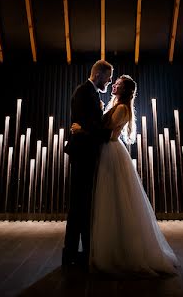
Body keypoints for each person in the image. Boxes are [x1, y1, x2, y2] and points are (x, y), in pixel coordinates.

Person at [89, 75, 180, 276]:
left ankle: (119, 251)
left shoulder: (122, 109)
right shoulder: (117, 105)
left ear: (125, 90)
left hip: (111, 151)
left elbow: (106, 130)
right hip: (109, 151)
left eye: (118, 84)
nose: (114, 85)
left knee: (114, 200)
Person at [62, 59, 113, 268]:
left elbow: (88, 124)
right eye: (108, 77)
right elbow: (90, 125)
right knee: (78, 206)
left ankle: (80, 253)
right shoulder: (85, 92)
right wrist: (112, 132)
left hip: (85, 154)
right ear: (99, 74)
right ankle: (71, 255)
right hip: (83, 155)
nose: (109, 82)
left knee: (83, 206)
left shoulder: (91, 93)